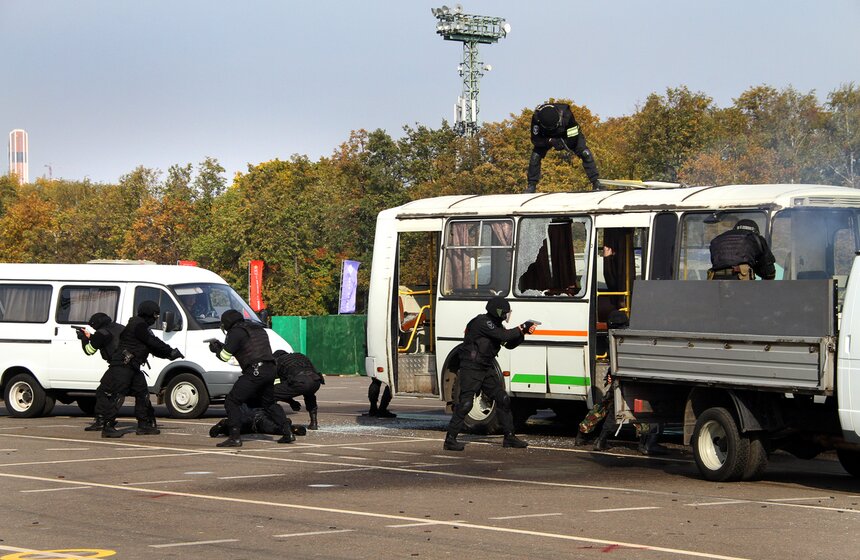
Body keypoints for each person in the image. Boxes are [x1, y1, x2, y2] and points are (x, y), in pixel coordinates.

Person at [443, 296, 536, 451]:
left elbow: (508, 344)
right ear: (498, 311)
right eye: (505, 312)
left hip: (486, 368)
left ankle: (509, 437)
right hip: (471, 368)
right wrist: (520, 327)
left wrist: (523, 333)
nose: (507, 315)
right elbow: (503, 336)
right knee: (466, 404)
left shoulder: (496, 325)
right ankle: (450, 440)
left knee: (503, 398)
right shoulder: (482, 322)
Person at [97, 301, 184, 438]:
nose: (156, 318)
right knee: (118, 395)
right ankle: (108, 426)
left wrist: (170, 355)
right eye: (155, 315)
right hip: (123, 365)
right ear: (148, 313)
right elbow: (152, 342)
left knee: (142, 394)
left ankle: (144, 425)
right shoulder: (137, 325)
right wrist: (170, 351)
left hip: (133, 366)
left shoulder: (141, 326)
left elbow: (153, 347)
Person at [209, 309, 293, 447]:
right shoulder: (257, 329)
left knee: (232, 401)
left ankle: (234, 437)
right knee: (269, 403)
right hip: (270, 369)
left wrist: (215, 350)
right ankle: (287, 432)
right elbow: (247, 348)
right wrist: (222, 347)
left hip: (255, 371)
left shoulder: (235, 332)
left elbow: (225, 357)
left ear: (227, 323)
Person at [527, 102, 601, 193]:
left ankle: (596, 181)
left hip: (567, 135)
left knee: (585, 153)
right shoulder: (536, 118)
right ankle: (531, 185)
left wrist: (566, 147)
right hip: (547, 137)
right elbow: (535, 140)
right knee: (535, 157)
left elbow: (573, 136)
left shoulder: (567, 114)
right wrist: (550, 141)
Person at [77, 312, 129, 432]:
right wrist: (91, 336)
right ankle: (147, 422)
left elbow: (89, 350)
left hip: (117, 366)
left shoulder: (102, 333)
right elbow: (107, 340)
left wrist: (84, 339)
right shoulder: (119, 327)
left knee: (102, 392)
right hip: (131, 364)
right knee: (140, 394)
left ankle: (102, 420)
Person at [272, 349, 325, 430]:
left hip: (300, 382)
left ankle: (277, 421)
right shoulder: (300, 356)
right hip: (316, 381)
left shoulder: (279, 361)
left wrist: (291, 402)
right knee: (309, 394)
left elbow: (284, 389)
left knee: (271, 393)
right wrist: (291, 402)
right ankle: (314, 422)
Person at [708, 219, 776, 280]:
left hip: (715, 280)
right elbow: (769, 272)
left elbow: (718, 262)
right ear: (756, 231)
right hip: (740, 279)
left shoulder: (718, 239)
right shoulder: (756, 238)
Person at [209, 403, 307, 439]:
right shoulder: (262, 381)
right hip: (258, 416)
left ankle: (224, 426)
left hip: (250, 416)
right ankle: (291, 428)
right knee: (273, 428)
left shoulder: (246, 382)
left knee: (241, 427)